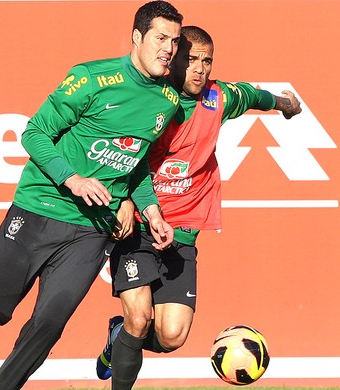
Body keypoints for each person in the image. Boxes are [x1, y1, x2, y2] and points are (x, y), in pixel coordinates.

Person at [0, 2, 183, 389]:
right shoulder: (92, 79)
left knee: (49, 324)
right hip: (39, 209)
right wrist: (73, 179)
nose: (168, 48)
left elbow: (137, 164)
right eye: (161, 38)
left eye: (175, 41)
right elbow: (33, 133)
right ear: (137, 37)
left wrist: (152, 211)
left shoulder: (167, 101)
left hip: (91, 230)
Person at [94, 25, 302, 389]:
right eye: (192, 60)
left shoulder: (217, 98)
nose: (200, 68)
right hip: (140, 229)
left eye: (207, 61)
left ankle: (119, 337)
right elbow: (119, 157)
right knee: (140, 318)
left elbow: (253, 96)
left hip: (184, 234)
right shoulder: (150, 101)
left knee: (171, 336)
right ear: (174, 59)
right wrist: (124, 200)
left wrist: (286, 104)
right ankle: (126, 342)